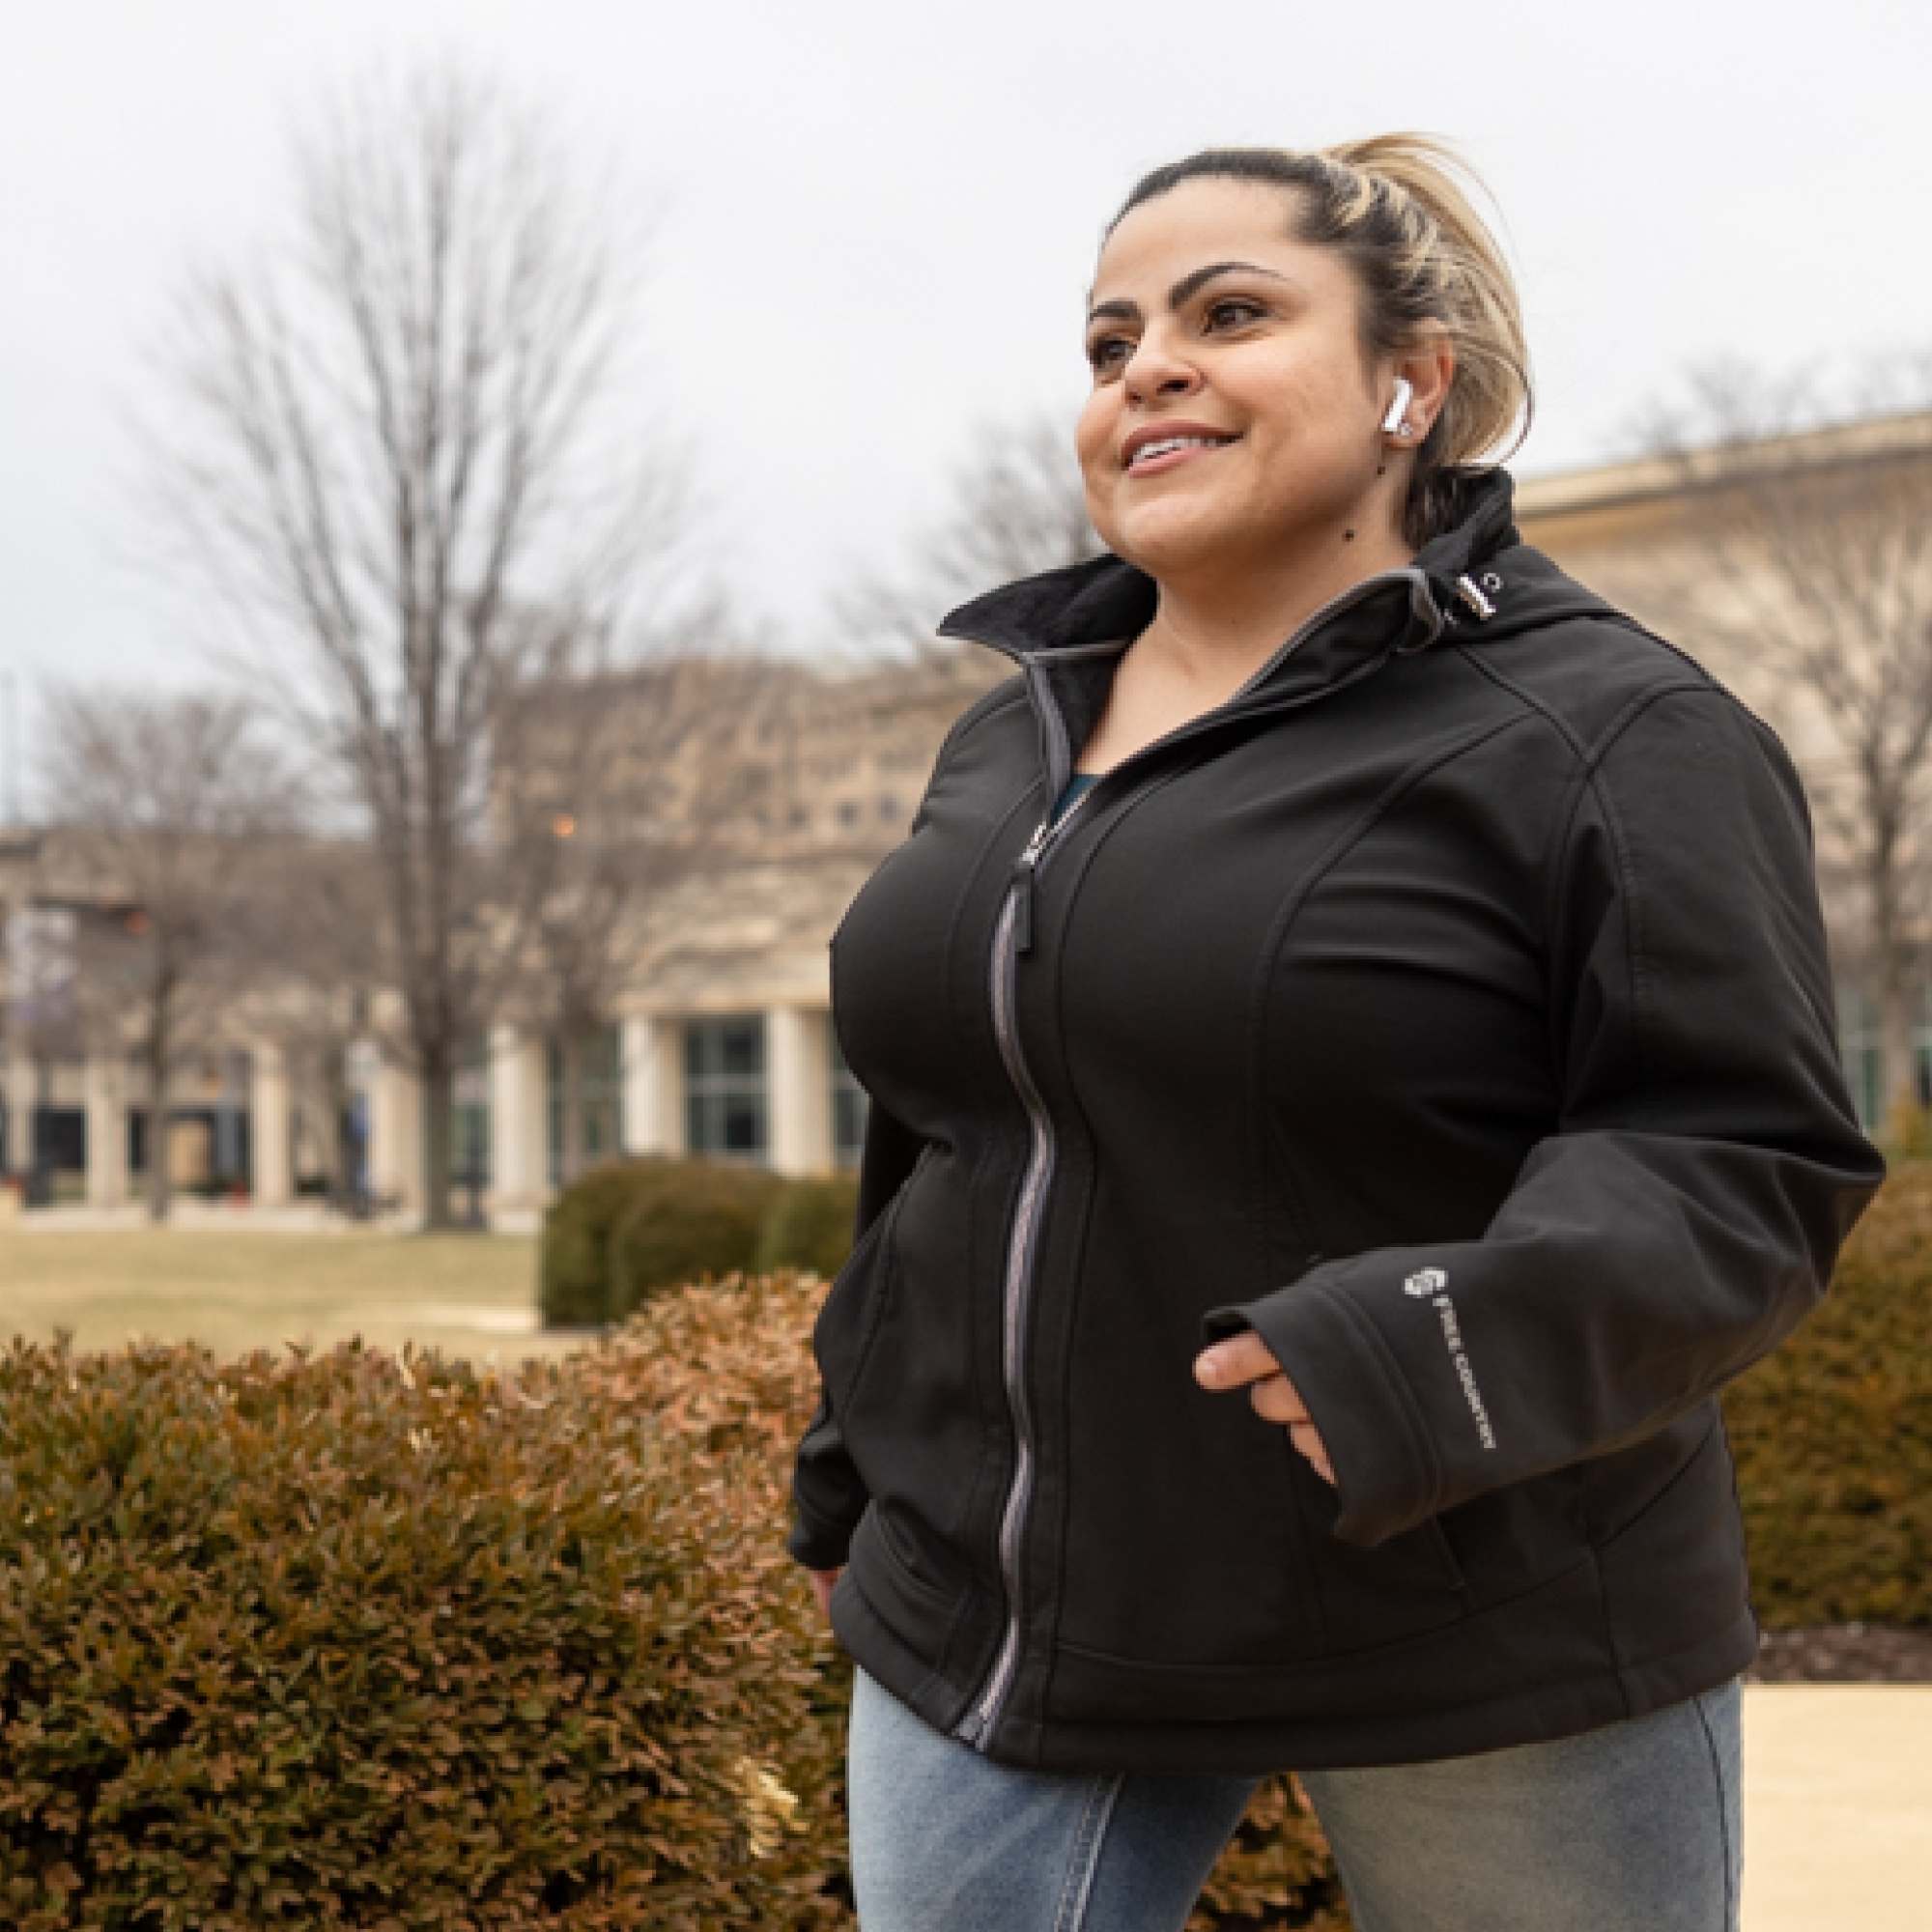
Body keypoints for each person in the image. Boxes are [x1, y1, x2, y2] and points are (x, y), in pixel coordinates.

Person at [788, 137, 1883, 1932]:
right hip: (1007, 1617)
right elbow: (951, 1124)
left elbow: (1744, 1160)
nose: (1149, 364)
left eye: (1233, 314)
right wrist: (858, 1466)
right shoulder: (1013, 740)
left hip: (1480, 1619)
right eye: (1110, 337)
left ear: (1412, 384)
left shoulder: (1616, 732)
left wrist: (1438, 1347)